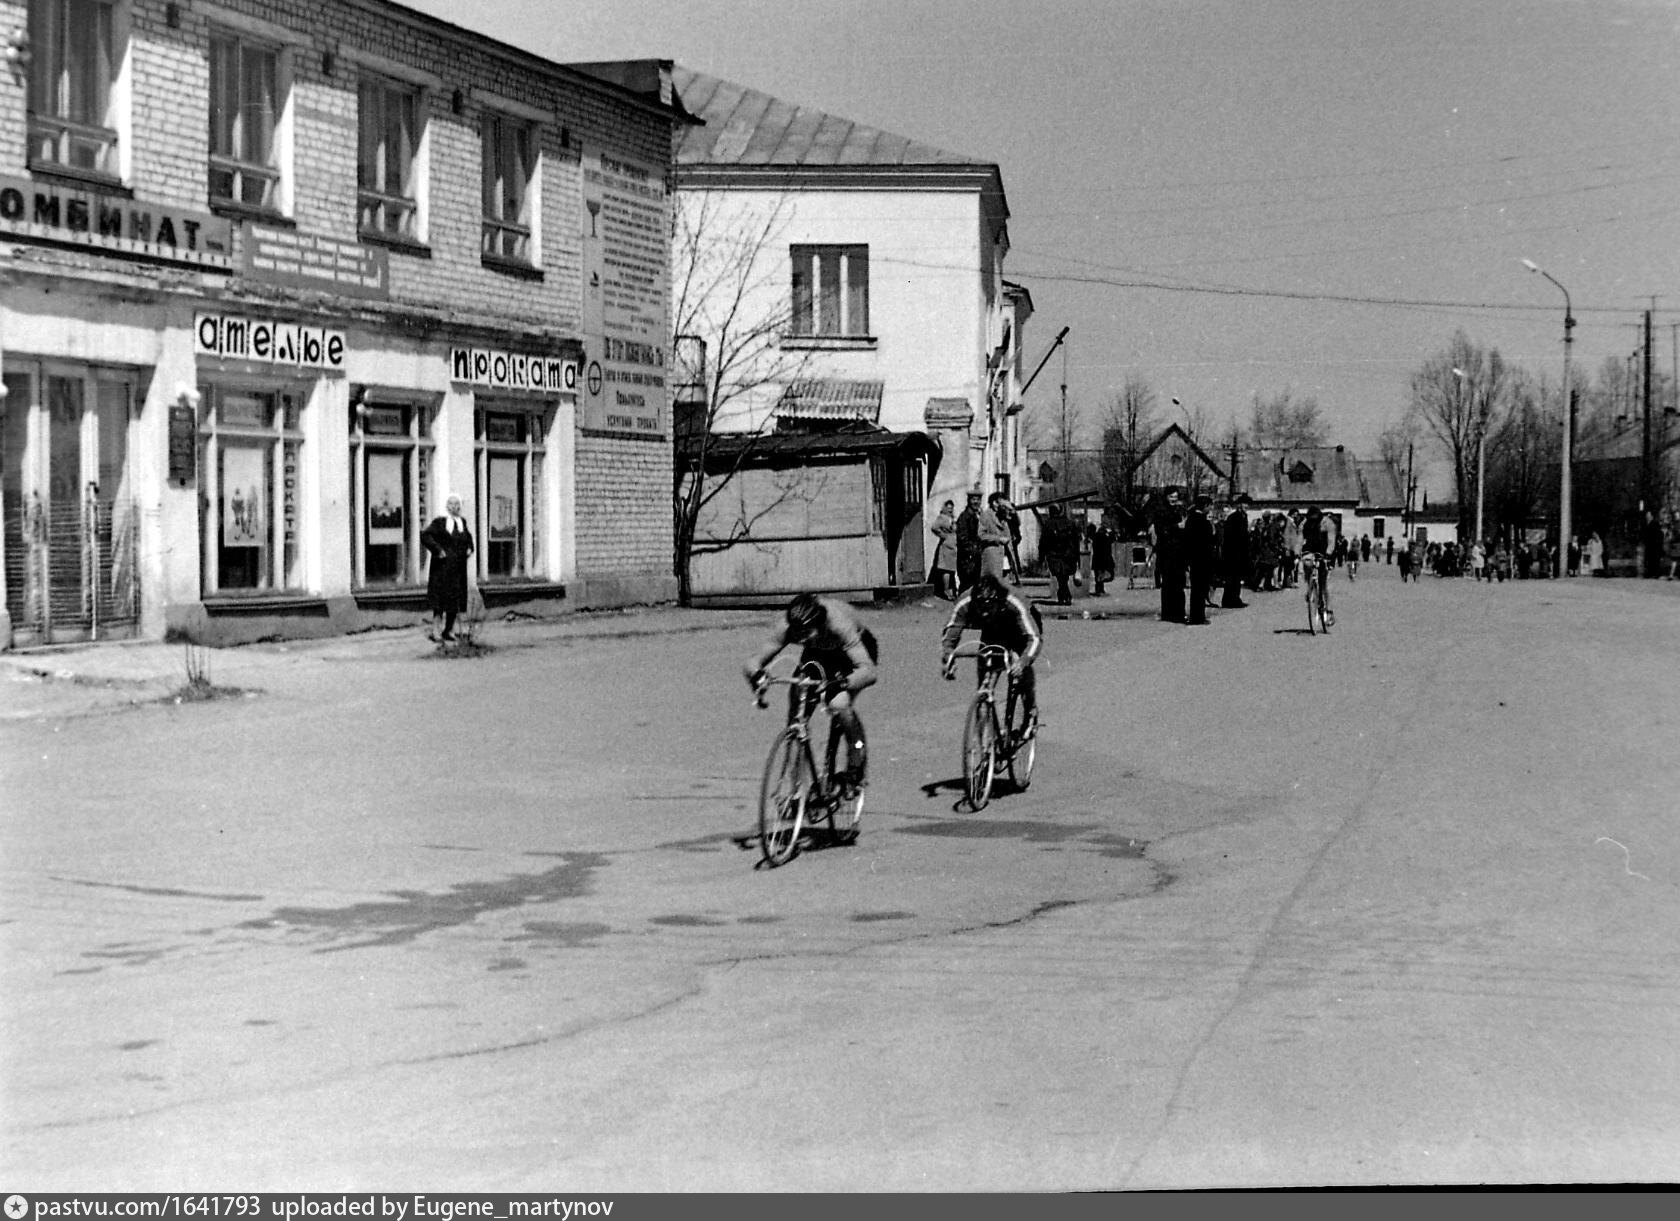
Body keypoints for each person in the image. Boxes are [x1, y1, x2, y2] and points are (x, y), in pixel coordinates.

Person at [744, 593, 878, 791]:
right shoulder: (789, 627)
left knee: (838, 703)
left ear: (820, 623)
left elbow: (869, 672)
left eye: (807, 633)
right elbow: (753, 661)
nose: (801, 638)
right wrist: (757, 677)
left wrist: (842, 683)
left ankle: (856, 759)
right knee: (797, 702)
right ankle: (796, 789)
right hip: (818, 653)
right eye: (798, 634)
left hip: (853, 655)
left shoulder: (839, 624)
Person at [940, 573, 1044, 732]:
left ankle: (1030, 711)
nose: (985, 609)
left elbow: (1033, 638)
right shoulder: (966, 600)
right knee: (986, 674)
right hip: (993, 630)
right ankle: (986, 727)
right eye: (981, 605)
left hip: (1020, 628)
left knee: (1020, 669)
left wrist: (1022, 662)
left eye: (989, 605)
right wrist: (948, 657)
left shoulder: (1012, 600)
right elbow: (951, 632)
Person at [421, 494, 474, 643]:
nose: (454, 507)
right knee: (440, 602)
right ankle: (436, 631)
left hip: (458, 569)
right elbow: (425, 536)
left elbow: (469, 539)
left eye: (457, 504)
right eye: (451, 504)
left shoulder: (462, 522)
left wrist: (470, 548)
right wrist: (438, 550)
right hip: (442, 569)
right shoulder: (440, 522)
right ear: (446, 506)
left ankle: (448, 630)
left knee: (455, 600)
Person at [1153, 489, 1187, 623]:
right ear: (1166, 497)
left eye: (1176, 497)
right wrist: (1177, 527)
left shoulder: (1177, 511)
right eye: (1171, 496)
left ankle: (1177, 612)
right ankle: (1170, 613)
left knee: (1177, 584)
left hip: (1176, 553)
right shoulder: (1161, 511)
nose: (1174, 499)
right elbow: (1161, 531)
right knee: (1169, 584)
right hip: (1167, 553)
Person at [1039, 503, 1082, 605]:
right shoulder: (1070, 523)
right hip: (1068, 555)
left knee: (1060, 577)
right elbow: (1076, 541)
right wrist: (1077, 558)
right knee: (1064, 577)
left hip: (1054, 555)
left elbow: (1043, 542)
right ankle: (1064, 594)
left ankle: (1064, 594)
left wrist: (1041, 557)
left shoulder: (1048, 524)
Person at [1300, 504, 1333, 626]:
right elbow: (1299, 537)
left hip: (1323, 550)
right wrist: (1296, 552)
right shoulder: (1305, 524)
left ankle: (1328, 609)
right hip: (1310, 549)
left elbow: (1331, 539)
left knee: (1323, 583)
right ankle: (1310, 586)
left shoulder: (1327, 523)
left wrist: (1329, 553)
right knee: (1307, 564)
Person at [1185, 494, 1215, 624]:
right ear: (1205, 506)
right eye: (1209, 505)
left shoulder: (1191, 519)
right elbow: (1209, 539)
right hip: (1202, 558)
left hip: (1194, 558)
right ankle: (1198, 617)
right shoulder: (1201, 521)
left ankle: (1197, 616)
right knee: (1200, 589)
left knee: (1197, 589)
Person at [979, 492, 1015, 582]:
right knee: (992, 585)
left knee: (1004, 584)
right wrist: (998, 539)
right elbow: (981, 535)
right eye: (1000, 503)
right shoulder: (986, 515)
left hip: (1004, 555)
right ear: (994, 503)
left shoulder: (1002, 515)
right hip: (992, 556)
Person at [929, 499, 958, 599]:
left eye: (951, 508)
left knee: (952, 569)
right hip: (946, 546)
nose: (950, 510)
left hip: (954, 546)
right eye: (948, 508)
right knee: (946, 569)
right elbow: (934, 527)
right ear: (944, 508)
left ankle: (951, 590)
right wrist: (943, 535)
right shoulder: (942, 517)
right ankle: (946, 590)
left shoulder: (953, 518)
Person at [955, 489, 983, 593]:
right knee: (967, 587)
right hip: (967, 559)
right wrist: (974, 550)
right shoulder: (965, 517)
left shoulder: (978, 515)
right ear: (968, 500)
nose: (976, 502)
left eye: (978, 499)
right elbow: (962, 539)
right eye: (973, 499)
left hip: (975, 558)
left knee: (974, 587)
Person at [1088, 517, 1116, 596]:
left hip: (1099, 559)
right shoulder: (1102, 537)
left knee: (1099, 575)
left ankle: (1099, 589)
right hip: (1103, 558)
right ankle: (1100, 589)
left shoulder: (1097, 537)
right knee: (1101, 575)